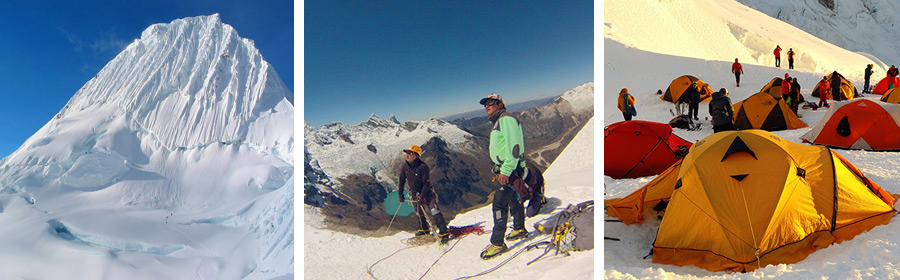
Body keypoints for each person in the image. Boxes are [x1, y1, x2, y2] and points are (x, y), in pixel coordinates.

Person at [478, 93, 529, 259]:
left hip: (510, 168)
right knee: (513, 198)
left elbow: (514, 147)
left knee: (499, 204)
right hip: (509, 167)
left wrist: (506, 170)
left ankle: (497, 243)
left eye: (492, 102)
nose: (487, 106)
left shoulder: (506, 119)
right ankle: (519, 228)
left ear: (500, 104)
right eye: (485, 104)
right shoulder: (499, 120)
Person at [398, 144, 453, 244]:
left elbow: (426, 183)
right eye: (407, 153)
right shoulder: (405, 167)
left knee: (434, 211)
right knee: (419, 212)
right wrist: (400, 194)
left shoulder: (422, 167)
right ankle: (424, 229)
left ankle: (443, 232)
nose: (407, 155)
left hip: (427, 193)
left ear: (416, 155)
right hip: (414, 194)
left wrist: (422, 196)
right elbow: (402, 180)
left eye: (410, 153)